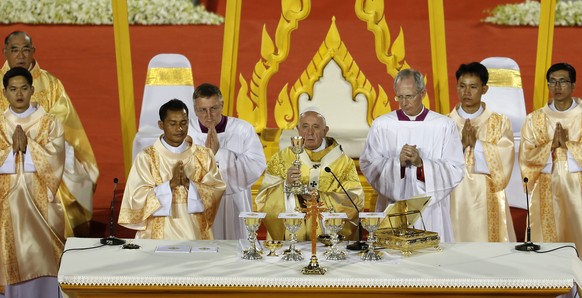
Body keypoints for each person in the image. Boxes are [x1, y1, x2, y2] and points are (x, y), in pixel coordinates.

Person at [1, 31, 99, 237]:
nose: (20, 55)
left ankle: (69, 238)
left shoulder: (51, 83)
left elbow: (63, 121)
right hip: (4, 150)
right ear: (5, 52)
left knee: (71, 177)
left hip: (46, 150)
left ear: (33, 52)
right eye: (14, 50)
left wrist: (33, 142)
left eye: (25, 50)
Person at [360, 68, 465, 243]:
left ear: (422, 93)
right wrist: (397, 164)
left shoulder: (443, 125)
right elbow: (369, 163)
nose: (404, 102)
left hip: (430, 209)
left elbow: (455, 167)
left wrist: (421, 164)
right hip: (394, 207)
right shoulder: (382, 125)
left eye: (409, 96)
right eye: (399, 97)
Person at [118, 99, 225, 240]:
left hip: (194, 233)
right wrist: (169, 186)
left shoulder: (204, 155)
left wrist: (189, 185)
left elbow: (216, 190)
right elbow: (136, 197)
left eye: (183, 123)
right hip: (156, 235)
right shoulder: (146, 157)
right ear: (161, 125)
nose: (179, 129)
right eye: (173, 124)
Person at [0, 67, 65, 297]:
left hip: (41, 206)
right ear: (5, 92)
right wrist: (11, 152)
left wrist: (29, 148)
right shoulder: (0, 123)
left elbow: (56, 160)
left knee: (43, 256)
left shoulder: (49, 123)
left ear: (32, 90)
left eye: (24, 88)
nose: (19, 94)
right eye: (13, 89)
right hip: (6, 208)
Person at [256, 107, 364, 241]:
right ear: (297, 129)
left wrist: (320, 198)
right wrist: (286, 187)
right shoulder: (282, 159)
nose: (309, 132)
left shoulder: (343, 162)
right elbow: (264, 199)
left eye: (316, 127)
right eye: (305, 126)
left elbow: (354, 200)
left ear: (325, 131)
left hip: (328, 239)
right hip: (293, 236)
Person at [448, 62, 516, 242]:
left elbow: (505, 160)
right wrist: (461, 145)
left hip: (488, 197)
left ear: (484, 89)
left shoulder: (499, 122)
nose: (466, 92)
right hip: (455, 196)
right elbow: (436, 162)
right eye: (462, 86)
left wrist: (476, 144)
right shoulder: (445, 123)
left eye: (473, 87)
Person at [189, 83, 266, 240]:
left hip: (234, 201)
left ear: (222, 105)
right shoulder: (186, 132)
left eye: (214, 108)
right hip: (200, 202)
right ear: (195, 110)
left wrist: (220, 154)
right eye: (202, 110)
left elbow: (256, 164)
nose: (209, 116)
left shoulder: (243, 129)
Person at [519, 62, 582, 255]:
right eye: (553, 82)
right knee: (548, 245)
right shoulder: (534, 119)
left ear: (573, 85)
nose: (557, 87)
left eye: (563, 81)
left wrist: (568, 145)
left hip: (578, 189)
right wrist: (550, 146)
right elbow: (526, 156)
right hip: (545, 188)